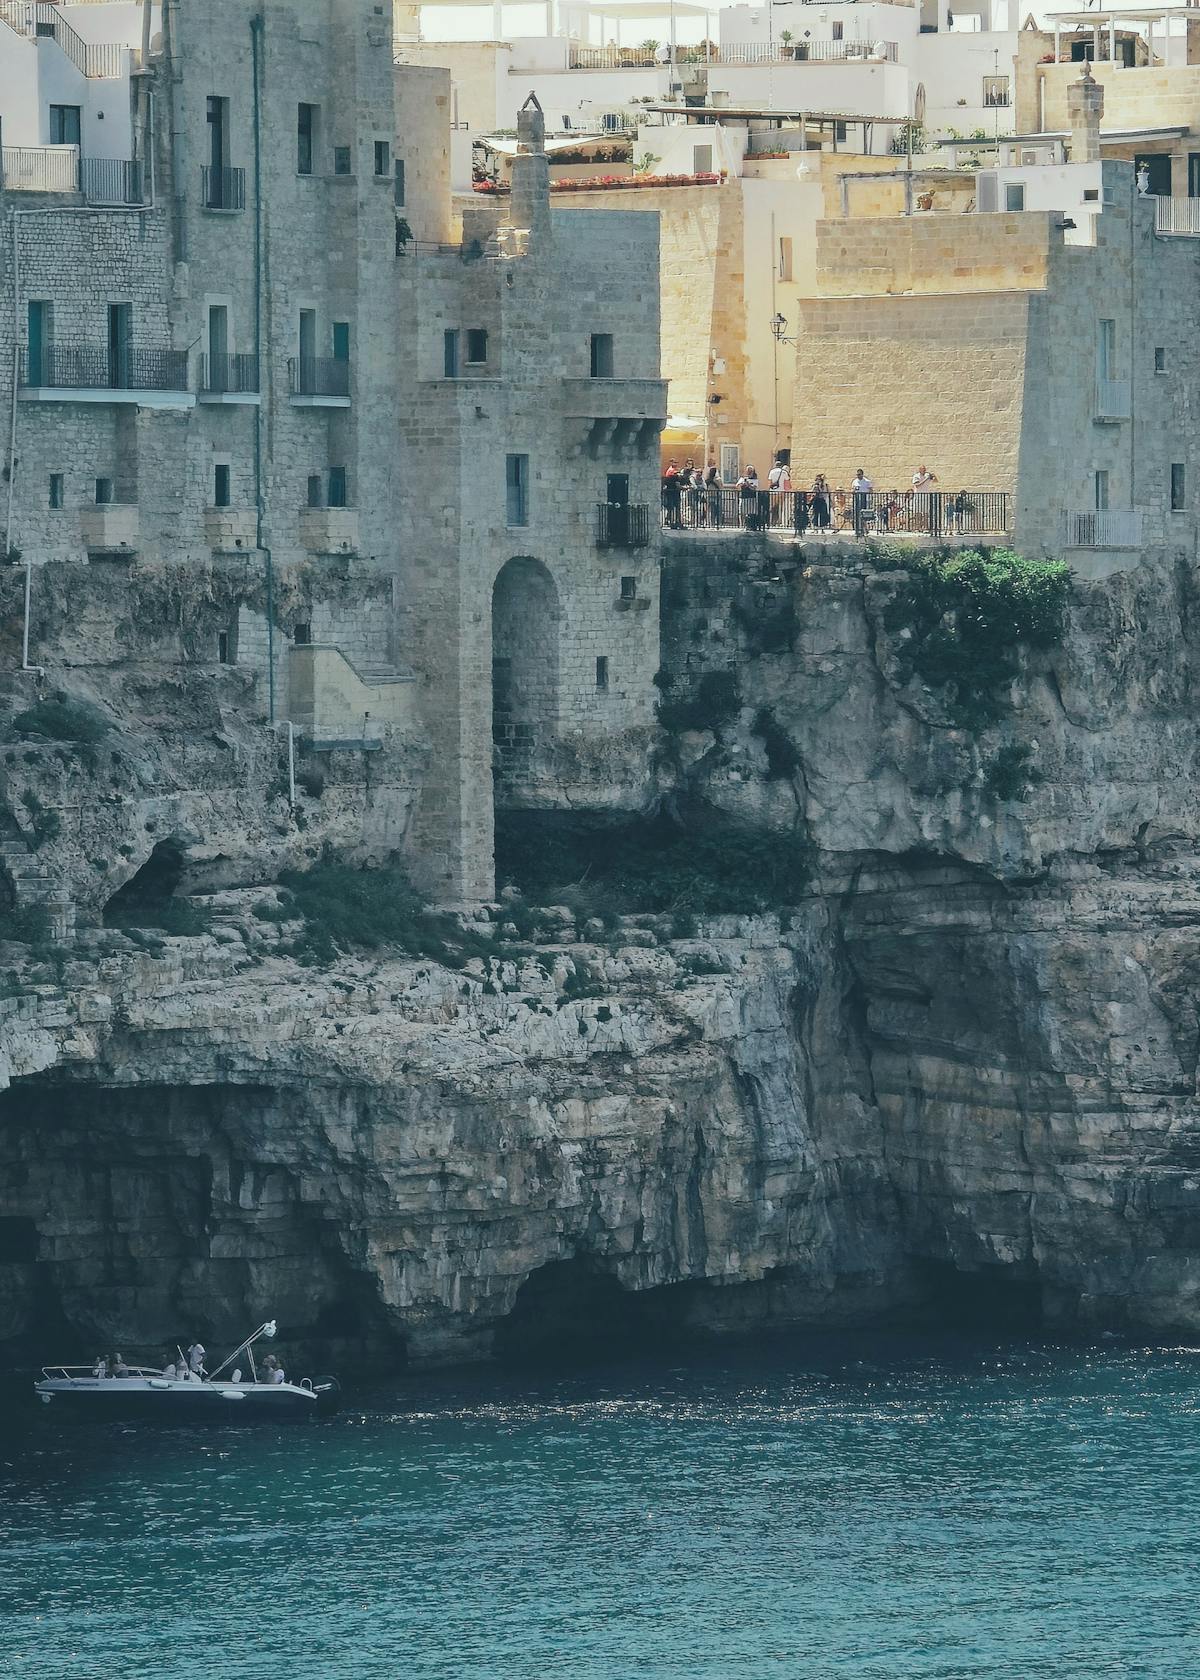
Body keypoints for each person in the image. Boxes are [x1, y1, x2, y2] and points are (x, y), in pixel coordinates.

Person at [851, 466, 873, 535]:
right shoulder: (855, 481)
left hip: (864, 498)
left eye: (859, 474)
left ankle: (865, 529)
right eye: (857, 474)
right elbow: (852, 490)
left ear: (862, 474)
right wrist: (853, 491)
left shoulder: (867, 481)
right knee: (857, 514)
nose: (858, 476)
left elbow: (871, 490)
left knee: (864, 515)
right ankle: (857, 529)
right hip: (857, 498)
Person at [661, 460, 682, 529]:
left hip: (672, 493)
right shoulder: (670, 471)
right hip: (672, 493)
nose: (675, 464)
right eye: (674, 462)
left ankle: (671, 521)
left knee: (672, 508)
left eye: (676, 462)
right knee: (673, 507)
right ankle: (674, 522)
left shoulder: (671, 473)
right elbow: (676, 483)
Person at [704, 462, 722, 528]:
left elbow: (720, 487)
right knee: (711, 510)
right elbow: (705, 486)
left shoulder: (717, 479)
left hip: (716, 496)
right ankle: (711, 523)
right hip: (710, 495)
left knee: (717, 510)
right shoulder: (708, 480)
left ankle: (717, 523)